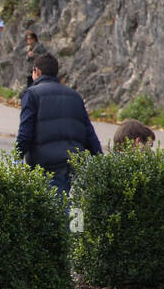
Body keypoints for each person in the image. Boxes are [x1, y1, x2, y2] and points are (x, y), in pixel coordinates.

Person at [15, 52, 103, 195]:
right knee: (63, 198)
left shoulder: (32, 94)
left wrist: (17, 159)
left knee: (55, 206)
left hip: (46, 162)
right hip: (73, 160)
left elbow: (25, 132)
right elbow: (88, 131)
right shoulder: (74, 96)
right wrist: (99, 158)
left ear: (37, 71)